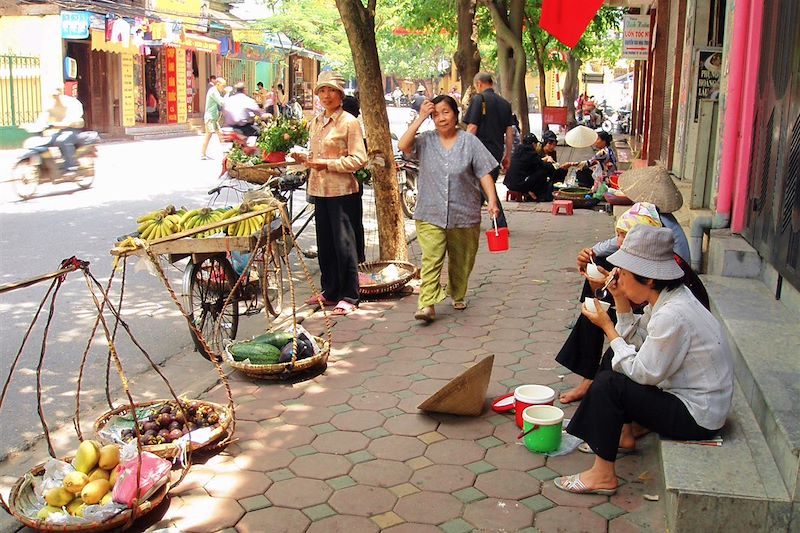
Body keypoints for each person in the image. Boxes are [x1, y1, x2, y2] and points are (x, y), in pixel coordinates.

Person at [554, 225, 733, 496]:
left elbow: (643, 372)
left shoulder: (672, 314)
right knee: (615, 357)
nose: (619, 279)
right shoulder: (668, 297)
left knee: (609, 384)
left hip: (698, 417)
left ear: (649, 279)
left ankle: (602, 475)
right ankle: (622, 436)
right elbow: (636, 342)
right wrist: (618, 297)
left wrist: (607, 326)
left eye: (624, 275)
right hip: (686, 398)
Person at [398, 95, 500, 323]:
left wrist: (492, 200)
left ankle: (457, 292)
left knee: (462, 258)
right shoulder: (425, 140)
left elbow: (484, 172)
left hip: (464, 212)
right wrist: (421, 117)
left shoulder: (469, 142)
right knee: (431, 258)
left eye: (446, 112)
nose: (441, 118)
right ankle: (426, 304)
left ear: (456, 115)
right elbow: (403, 145)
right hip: (429, 212)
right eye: (436, 114)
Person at [292, 71, 366, 316]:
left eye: (331, 90)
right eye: (322, 91)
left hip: (343, 192)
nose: (326, 95)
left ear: (340, 94)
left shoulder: (349, 122)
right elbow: (314, 157)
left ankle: (349, 295)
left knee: (345, 245)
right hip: (319, 190)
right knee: (325, 244)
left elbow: (359, 159)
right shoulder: (315, 121)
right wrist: (303, 160)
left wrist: (327, 164)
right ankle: (330, 291)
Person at [464, 71, 512, 228]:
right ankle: (466, 220)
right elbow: (509, 132)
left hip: (479, 151)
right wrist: (507, 155)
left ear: (479, 84)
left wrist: (462, 149)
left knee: (485, 187)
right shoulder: (505, 103)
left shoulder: (479, 99)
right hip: (497, 152)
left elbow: (471, 127)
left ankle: (500, 223)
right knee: (479, 187)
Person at [341, 94, 366, 263]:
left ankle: (354, 258)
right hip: (353, 186)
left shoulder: (351, 127)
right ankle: (357, 257)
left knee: (351, 222)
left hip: (349, 185)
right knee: (355, 221)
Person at [38, 87, 84, 173]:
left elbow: (70, 119)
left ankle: (71, 165)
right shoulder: (52, 105)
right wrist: (37, 124)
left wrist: (58, 124)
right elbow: (44, 115)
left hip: (73, 130)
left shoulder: (69, 103)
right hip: (61, 130)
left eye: (57, 95)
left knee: (62, 140)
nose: (55, 97)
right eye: (54, 95)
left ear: (61, 93)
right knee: (47, 141)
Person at [503, 133, 554, 202]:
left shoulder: (518, 150)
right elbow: (542, 165)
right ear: (533, 144)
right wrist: (550, 163)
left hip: (508, 183)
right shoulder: (531, 152)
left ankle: (529, 191)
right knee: (542, 172)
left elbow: (532, 162)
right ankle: (534, 193)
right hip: (518, 184)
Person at [201, 76, 225, 160]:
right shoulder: (213, 91)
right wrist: (228, 94)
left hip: (214, 118)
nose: (223, 88)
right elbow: (221, 102)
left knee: (220, 134)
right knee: (209, 135)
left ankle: (226, 154)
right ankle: (203, 153)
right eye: (223, 86)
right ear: (218, 84)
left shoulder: (216, 91)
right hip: (210, 117)